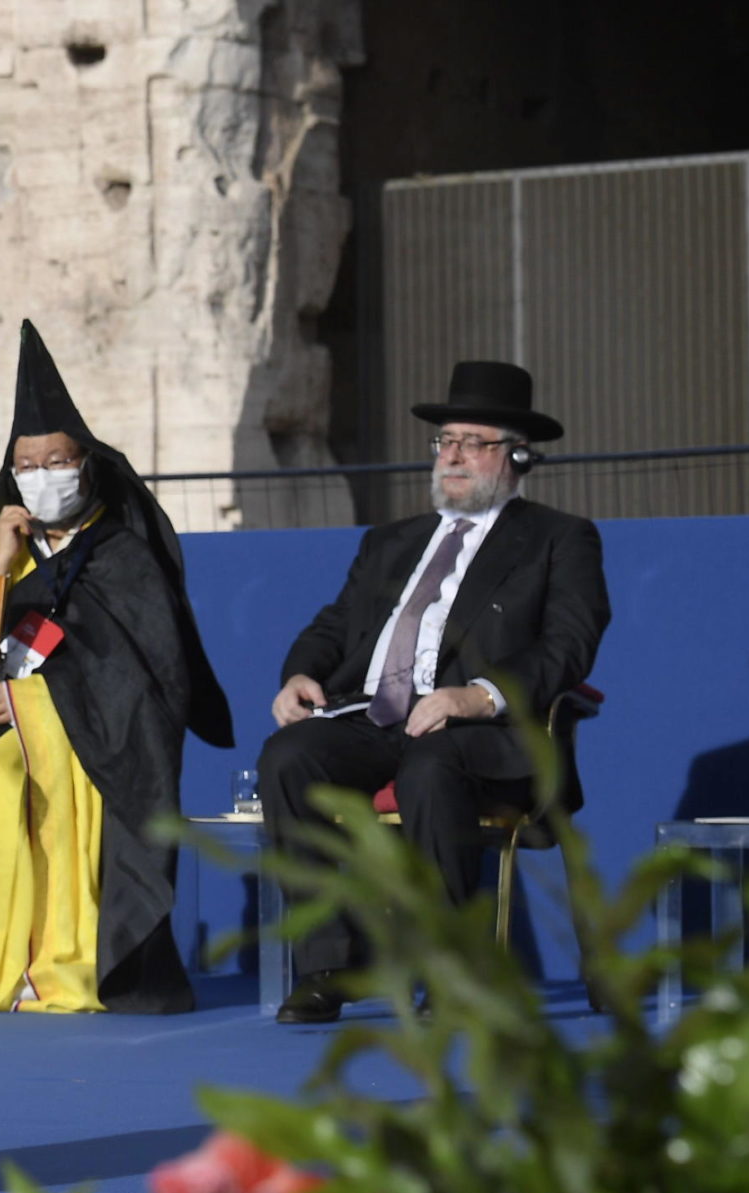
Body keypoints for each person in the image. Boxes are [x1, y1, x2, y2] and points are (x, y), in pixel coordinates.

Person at [0, 322, 234, 1015]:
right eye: (28, 466)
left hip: (85, 734)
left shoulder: (123, 555)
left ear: (87, 464)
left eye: (56, 462)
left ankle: (5, 967)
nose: (43, 478)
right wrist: (1, 565)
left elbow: (141, 677)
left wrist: (36, 702)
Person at [260, 360, 610, 1025]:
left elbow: (569, 646)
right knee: (289, 756)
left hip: (485, 734)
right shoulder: (392, 540)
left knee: (432, 762)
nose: (452, 455)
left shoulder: (559, 539)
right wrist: (299, 673)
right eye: (445, 441)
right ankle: (332, 963)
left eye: (472, 442)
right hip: (374, 717)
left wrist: (475, 696)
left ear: (518, 455)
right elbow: (336, 624)